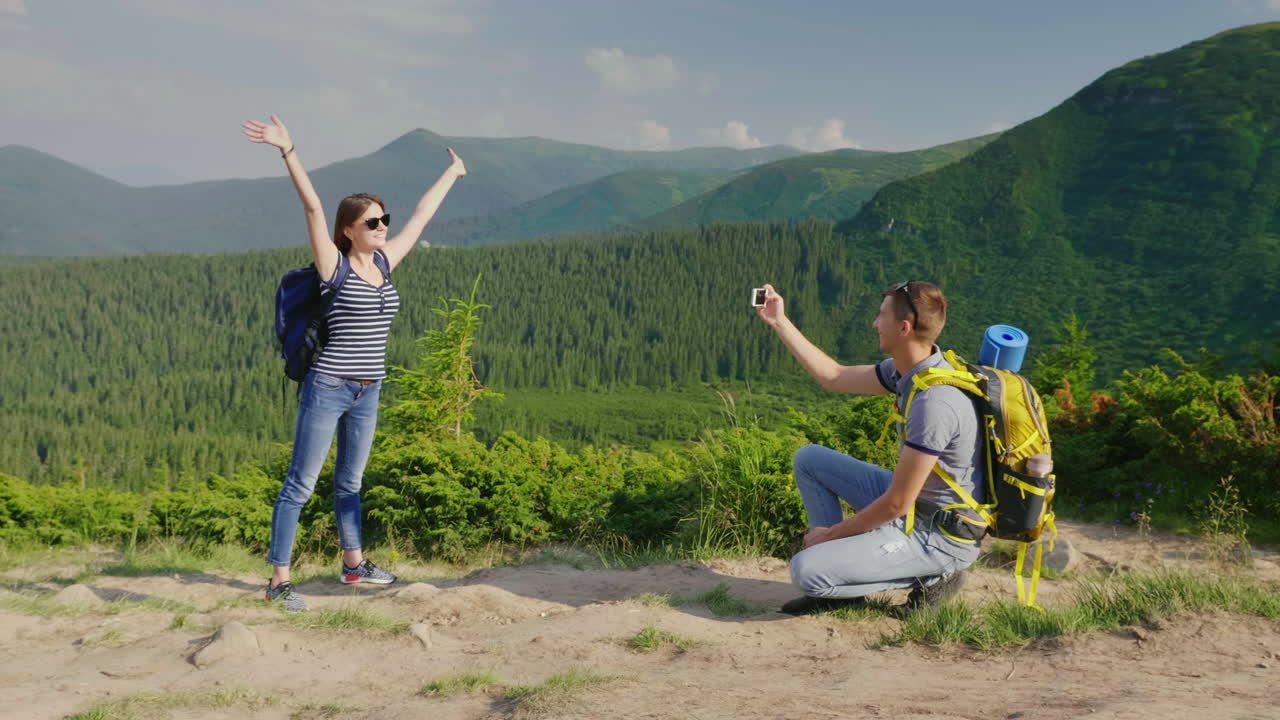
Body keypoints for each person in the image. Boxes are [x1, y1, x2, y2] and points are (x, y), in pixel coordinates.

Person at [242, 115, 466, 612]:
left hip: (370, 388)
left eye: (384, 219)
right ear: (349, 230)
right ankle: (278, 580)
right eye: (372, 222)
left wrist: (452, 175)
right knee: (300, 484)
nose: (383, 227)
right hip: (329, 386)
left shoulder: (384, 264)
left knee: (350, 481)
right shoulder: (333, 267)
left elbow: (422, 218)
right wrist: (288, 149)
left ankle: (353, 564)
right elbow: (313, 206)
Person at [755, 280, 985, 615]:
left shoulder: (935, 403)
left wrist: (832, 535)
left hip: (939, 532)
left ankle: (936, 576)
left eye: (881, 316)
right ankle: (839, 590)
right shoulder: (911, 371)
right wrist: (780, 321)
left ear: (904, 327)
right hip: (917, 506)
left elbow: (895, 504)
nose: (875, 323)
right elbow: (832, 377)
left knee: (806, 571)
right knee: (810, 460)